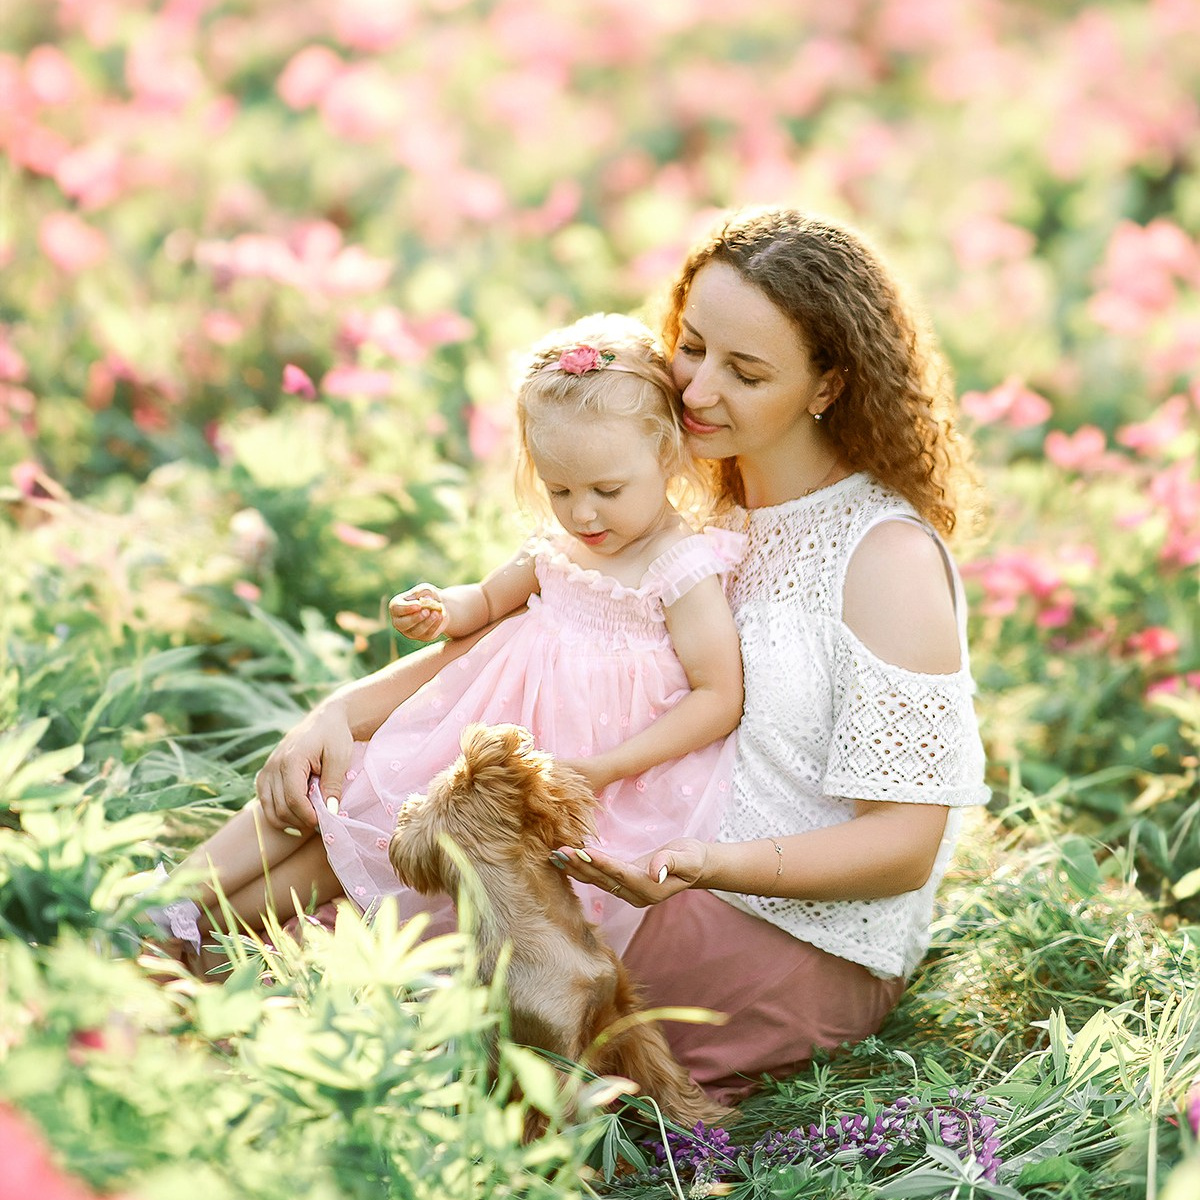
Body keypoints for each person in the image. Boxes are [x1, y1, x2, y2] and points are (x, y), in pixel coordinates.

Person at [248, 206, 990, 1105]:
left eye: (746, 372)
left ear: (827, 384)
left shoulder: (886, 558)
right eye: (692, 347)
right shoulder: (692, 497)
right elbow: (534, 626)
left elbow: (905, 845)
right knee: (362, 784)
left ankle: (169, 938)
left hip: (785, 931)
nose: (699, 390)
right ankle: (168, 927)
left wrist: (706, 864)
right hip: (649, 851)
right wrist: (341, 712)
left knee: (380, 873)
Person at [165, 312, 744, 961]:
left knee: (363, 847)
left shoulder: (678, 564)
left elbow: (718, 696)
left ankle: (203, 937)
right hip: (468, 727)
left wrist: (607, 769)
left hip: (571, 769)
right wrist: (443, 609)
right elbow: (493, 598)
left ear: (666, 453)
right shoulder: (562, 546)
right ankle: (176, 902)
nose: (583, 512)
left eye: (607, 489)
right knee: (340, 792)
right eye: (560, 489)